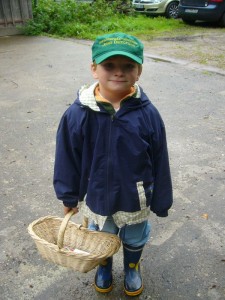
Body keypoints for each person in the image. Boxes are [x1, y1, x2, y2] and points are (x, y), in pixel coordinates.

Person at [53, 32, 173, 297]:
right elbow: (67, 158)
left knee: (134, 237)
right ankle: (103, 265)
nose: (119, 72)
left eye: (128, 66)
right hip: (98, 196)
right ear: (94, 69)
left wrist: (161, 198)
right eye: (109, 65)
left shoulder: (148, 114)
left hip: (136, 196)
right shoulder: (78, 113)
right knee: (101, 237)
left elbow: (160, 158)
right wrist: (69, 195)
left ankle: (132, 267)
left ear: (139, 71)